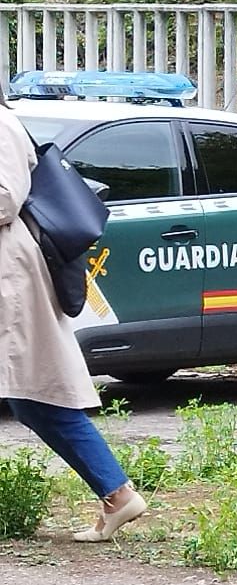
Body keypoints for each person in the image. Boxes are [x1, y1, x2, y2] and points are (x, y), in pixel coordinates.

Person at [0, 93, 148, 541]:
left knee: (36, 392)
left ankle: (117, 492)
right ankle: (116, 493)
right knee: (31, 397)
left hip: (11, 274)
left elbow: (6, 198)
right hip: (11, 272)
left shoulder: (1, 126)